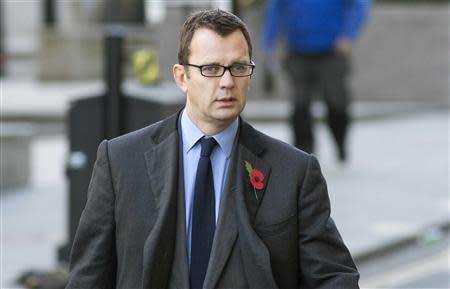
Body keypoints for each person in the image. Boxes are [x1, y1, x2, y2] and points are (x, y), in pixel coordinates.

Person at [66, 9, 359, 289]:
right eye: (211, 69)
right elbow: (87, 278)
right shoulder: (120, 161)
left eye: (239, 67)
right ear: (182, 77)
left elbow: (334, 277)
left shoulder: (295, 171)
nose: (228, 82)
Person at [262, 0, 371, 161]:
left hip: (332, 52)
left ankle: (340, 141)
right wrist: (268, 43)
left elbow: (360, 6)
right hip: (297, 52)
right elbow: (275, 9)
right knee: (300, 104)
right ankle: (303, 155)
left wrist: (348, 35)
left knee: (336, 103)